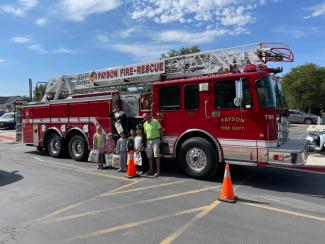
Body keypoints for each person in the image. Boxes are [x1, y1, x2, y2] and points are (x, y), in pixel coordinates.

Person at [143, 112, 162, 177]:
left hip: (156, 140)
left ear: (148, 116)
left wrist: (161, 139)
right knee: (149, 157)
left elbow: (160, 129)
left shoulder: (155, 121)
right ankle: (151, 170)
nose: (145, 118)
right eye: (144, 117)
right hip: (149, 141)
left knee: (156, 156)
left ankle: (158, 170)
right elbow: (146, 133)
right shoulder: (145, 124)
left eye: (145, 116)